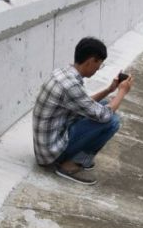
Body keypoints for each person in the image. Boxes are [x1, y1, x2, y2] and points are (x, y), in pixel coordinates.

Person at [32, 37, 134, 185]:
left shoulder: (63, 73)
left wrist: (109, 90)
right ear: (91, 61)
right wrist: (122, 92)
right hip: (51, 153)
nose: (98, 69)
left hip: (47, 144)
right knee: (112, 121)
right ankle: (70, 164)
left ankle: (79, 157)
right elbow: (104, 116)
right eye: (99, 64)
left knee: (105, 104)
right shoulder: (71, 86)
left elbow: (83, 103)